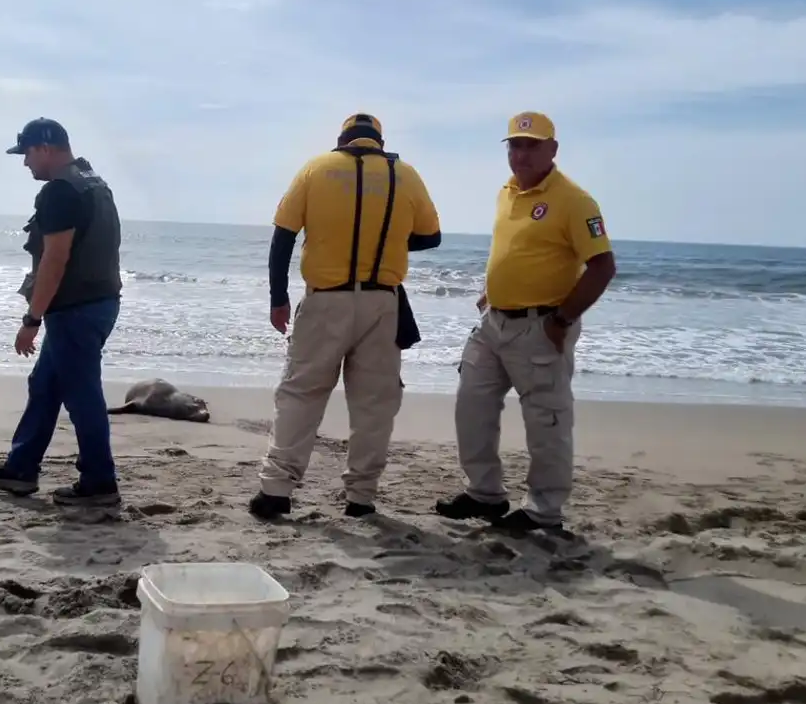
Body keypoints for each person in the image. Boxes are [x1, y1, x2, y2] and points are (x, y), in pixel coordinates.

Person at [249, 113, 442, 520]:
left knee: (301, 394)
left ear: (343, 140)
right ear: (378, 141)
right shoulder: (404, 174)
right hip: (382, 305)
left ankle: (276, 491)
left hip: (325, 302)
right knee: (374, 404)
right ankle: (361, 498)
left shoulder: (317, 169)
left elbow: (283, 236)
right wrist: (386, 238)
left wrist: (278, 298)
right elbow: (431, 236)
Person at [438, 111, 617, 533]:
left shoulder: (575, 201)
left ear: (552, 150)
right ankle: (485, 494)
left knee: (546, 421)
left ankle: (543, 511)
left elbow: (602, 267)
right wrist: (493, 291)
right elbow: (518, 250)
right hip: (493, 324)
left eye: (531, 145)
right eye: (514, 145)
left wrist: (563, 319)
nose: (520, 154)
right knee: (472, 406)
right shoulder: (507, 192)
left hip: (541, 327)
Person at [0, 118, 123, 506]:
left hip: (76, 308)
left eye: (26, 154)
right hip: (100, 300)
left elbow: (55, 260)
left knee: (82, 395)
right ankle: (21, 468)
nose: (25, 164)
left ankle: (99, 482)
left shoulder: (59, 191)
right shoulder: (94, 183)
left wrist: (32, 320)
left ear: (44, 147)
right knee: (45, 387)